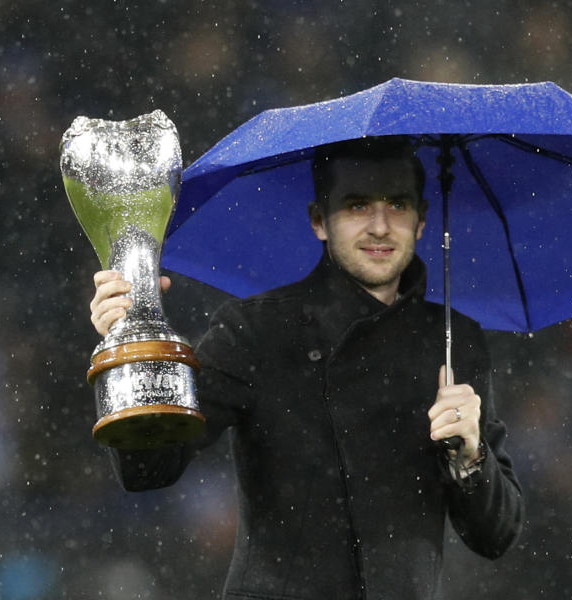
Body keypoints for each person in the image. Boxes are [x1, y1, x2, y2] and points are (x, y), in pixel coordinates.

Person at [88, 136, 524, 599]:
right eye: (357, 206)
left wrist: (470, 456)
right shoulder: (255, 330)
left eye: (397, 205)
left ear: (421, 222)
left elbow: (496, 535)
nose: (380, 227)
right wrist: (130, 350)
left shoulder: (456, 342)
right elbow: (149, 468)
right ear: (319, 220)